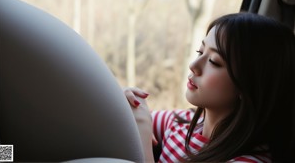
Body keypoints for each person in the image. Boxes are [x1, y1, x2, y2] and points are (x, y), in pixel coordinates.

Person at [124, 12, 295, 162]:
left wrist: (142, 132)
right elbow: (126, 120)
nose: (194, 65)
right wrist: (126, 102)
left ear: (248, 85)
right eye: (200, 52)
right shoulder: (179, 122)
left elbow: (141, 125)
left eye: (214, 61)